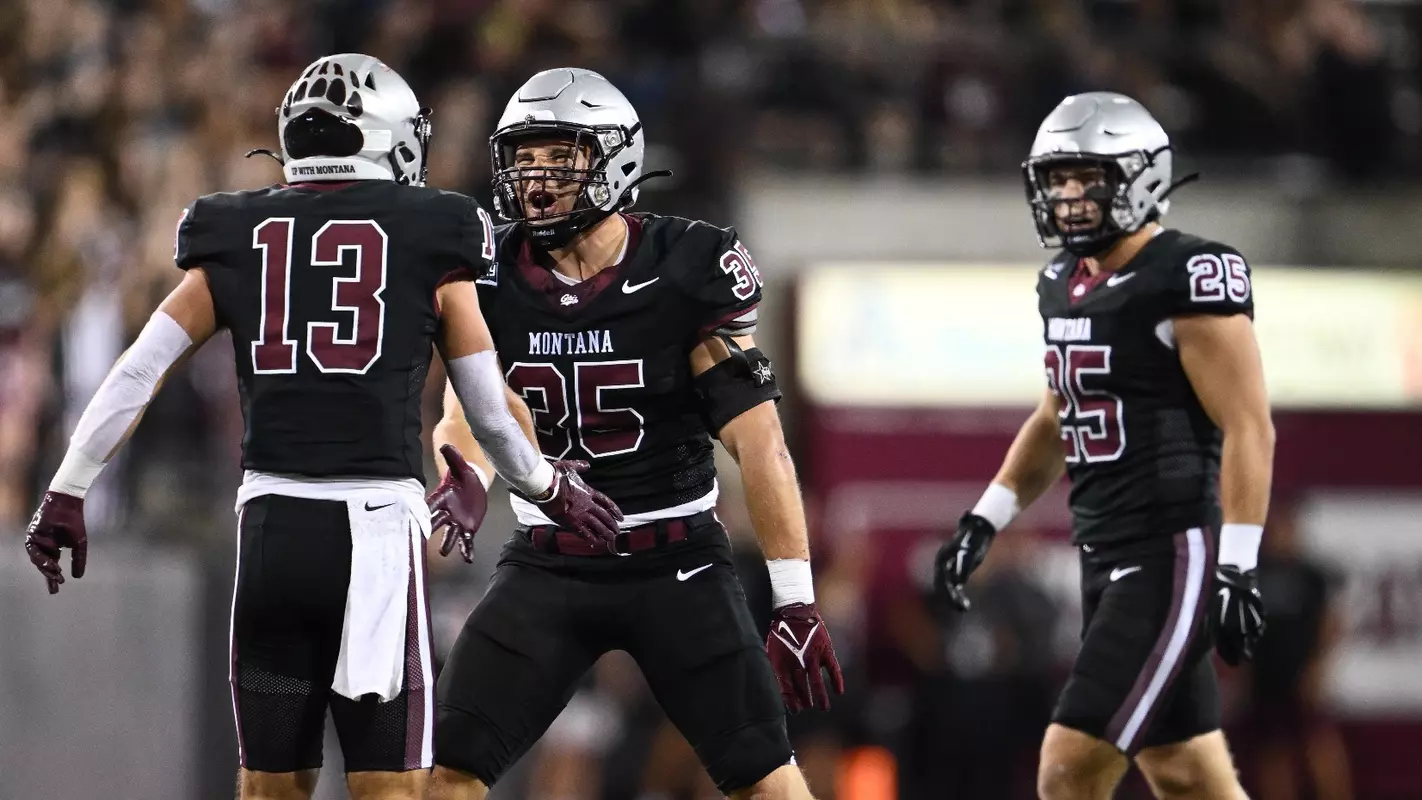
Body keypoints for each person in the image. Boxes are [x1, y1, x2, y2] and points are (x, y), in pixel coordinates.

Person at [21, 54, 619, 800]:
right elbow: (488, 411)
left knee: (269, 788)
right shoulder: (435, 230)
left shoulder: (236, 229)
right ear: (389, 139)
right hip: (370, 540)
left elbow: (137, 372)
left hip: (270, 533)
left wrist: (67, 488)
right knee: (388, 789)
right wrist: (551, 488)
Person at [423, 68, 843, 800]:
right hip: (550, 562)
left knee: (765, 781)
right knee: (447, 774)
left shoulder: (686, 266)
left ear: (615, 160)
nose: (537, 177)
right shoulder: (488, 272)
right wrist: (463, 469)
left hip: (675, 563)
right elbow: (477, 408)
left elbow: (760, 444)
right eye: (525, 157)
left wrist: (795, 600)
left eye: (560, 156)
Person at [934, 92, 1274, 800]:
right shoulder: (1062, 284)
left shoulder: (1187, 273)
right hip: (1104, 551)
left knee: (1070, 763)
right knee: (1186, 774)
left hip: (1169, 552)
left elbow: (1249, 424)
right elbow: (1060, 414)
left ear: (1142, 176)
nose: (1068, 195)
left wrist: (1237, 565)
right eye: (1057, 178)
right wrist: (984, 519)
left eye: (1087, 177)